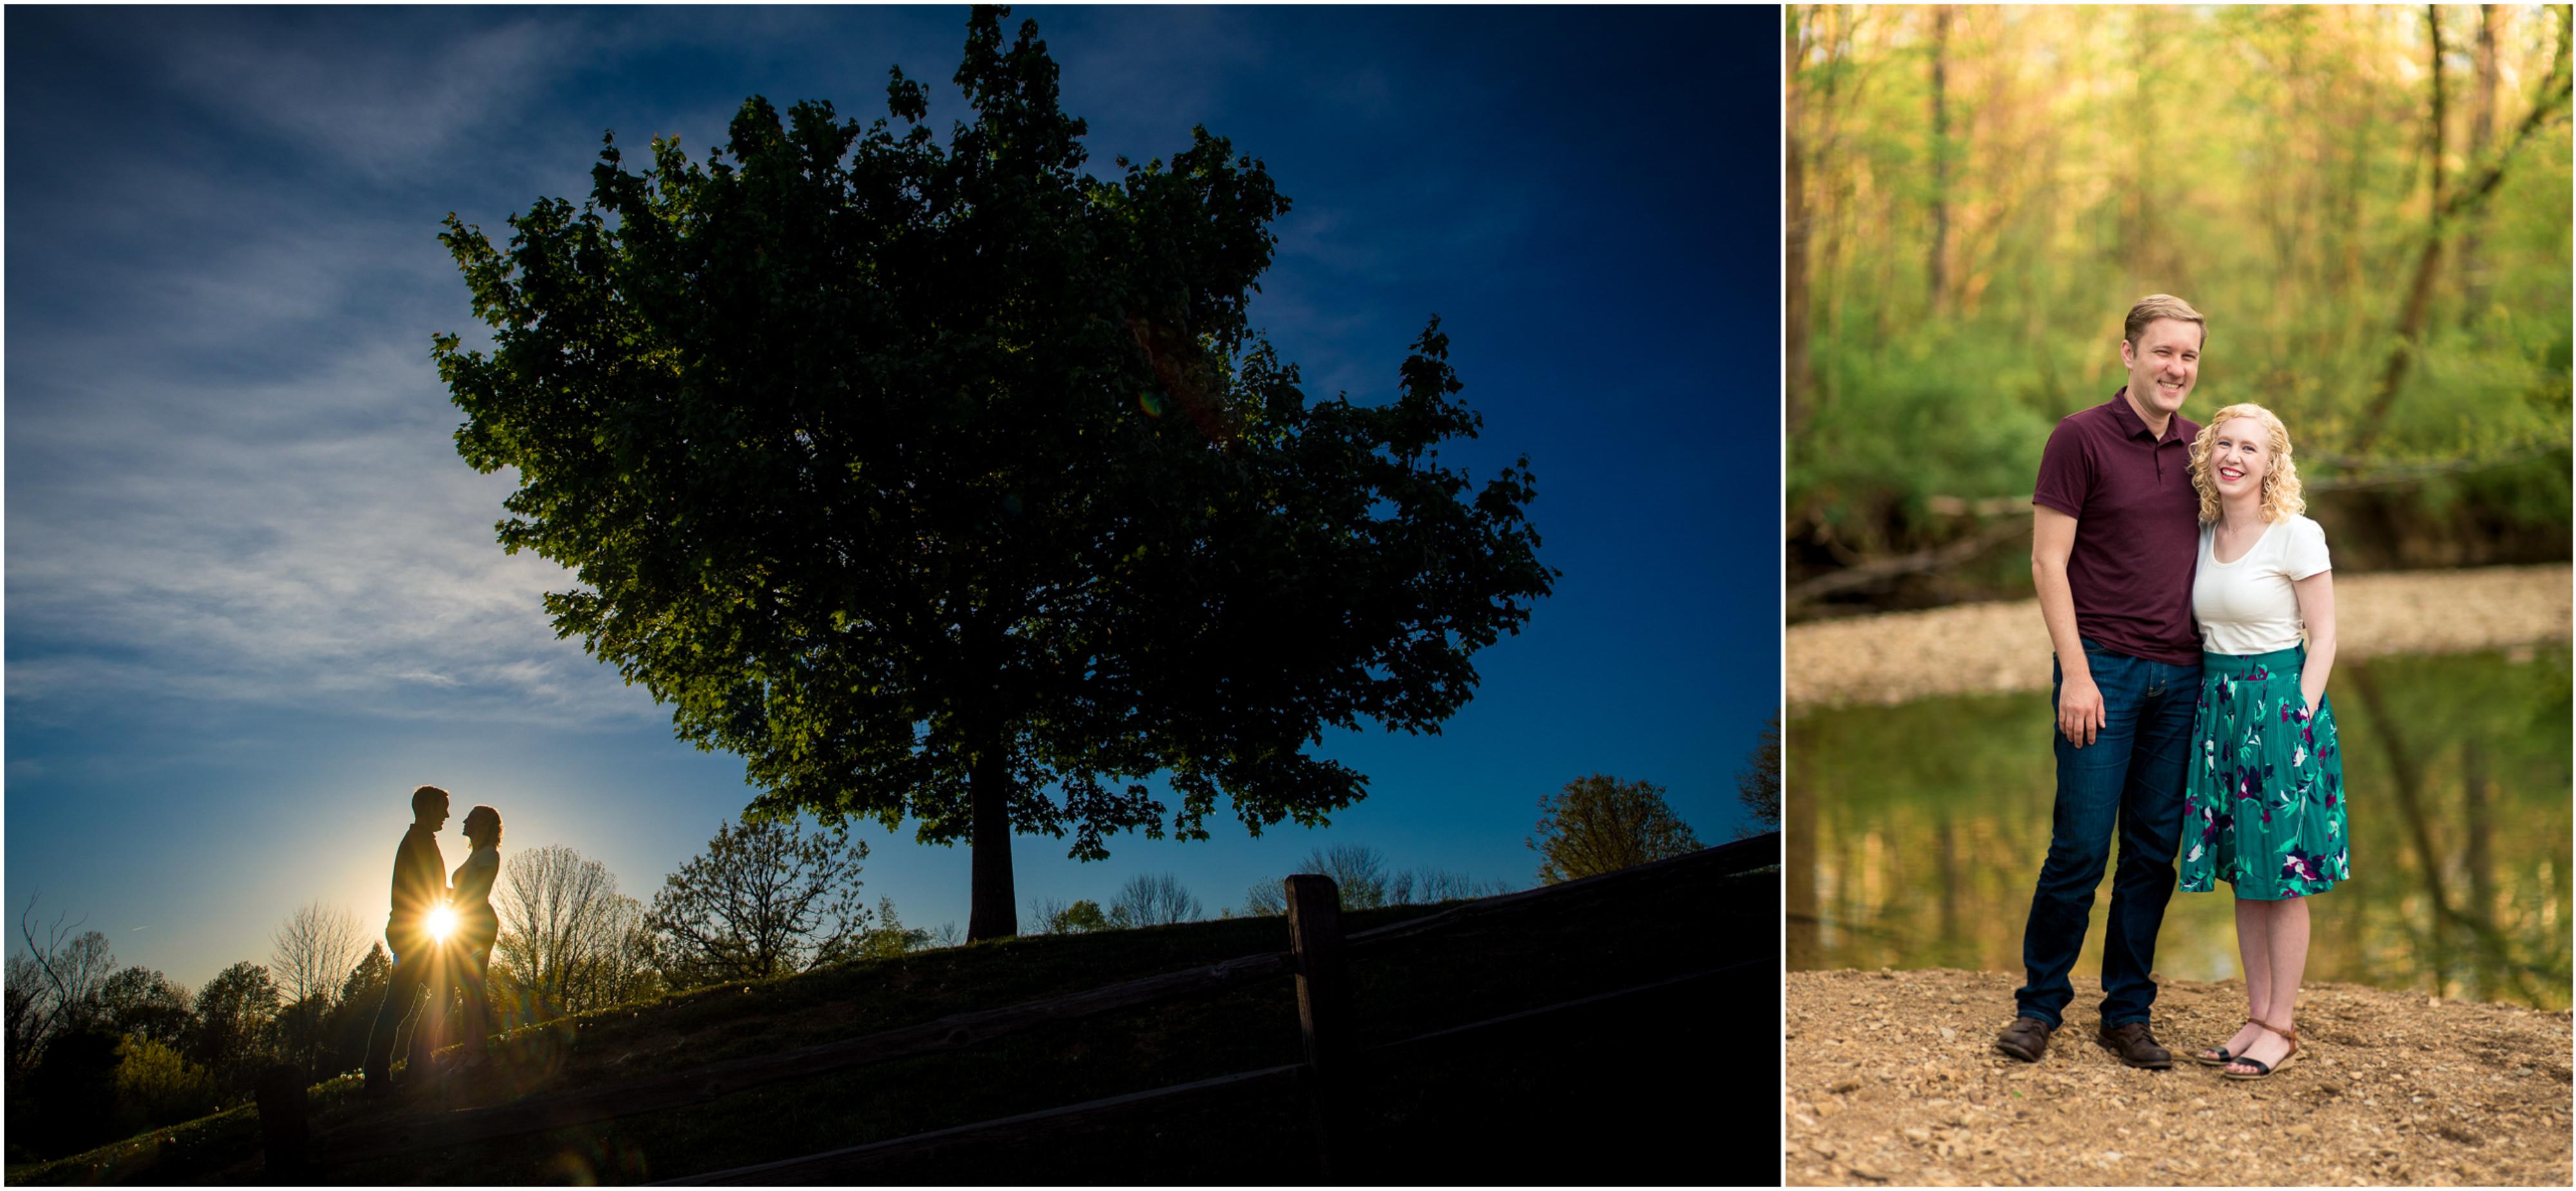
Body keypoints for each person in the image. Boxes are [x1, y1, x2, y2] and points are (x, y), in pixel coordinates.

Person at [1996, 295, 2207, 1070]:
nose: (2176, 368)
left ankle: (2126, 1013)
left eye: (2188, 356)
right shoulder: (2078, 438)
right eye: (2162, 352)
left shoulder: (2203, 449)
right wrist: (2076, 674)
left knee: (2152, 852)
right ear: (2127, 354)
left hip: (2184, 677)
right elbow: (2047, 560)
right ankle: (2040, 1005)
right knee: (2080, 847)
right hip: (2102, 670)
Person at [2175, 404, 2343, 1080]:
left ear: (2272, 462)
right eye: (2223, 444)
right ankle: (2254, 1013)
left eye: (2249, 447)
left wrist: (2297, 717)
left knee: (2284, 872)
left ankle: (2281, 1024)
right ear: (2207, 454)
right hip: (2217, 706)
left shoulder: (2295, 534)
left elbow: (2324, 634)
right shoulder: (2203, 532)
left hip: (2278, 704)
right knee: (2246, 873)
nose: (2233, 456)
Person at [365, 784, 451, 1094]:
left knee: (401, 1004)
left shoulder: (420, 840)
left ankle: (393, 1071)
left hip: (412, 931)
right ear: (427, 808)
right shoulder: (418, 842)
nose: (447, 815)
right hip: (413, 934)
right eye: (443, 808)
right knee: (429, 994)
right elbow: (429, 889)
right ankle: (410, 1067)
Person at [448, 805, 504, 1071]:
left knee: (475, 986)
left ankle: (479, 1050)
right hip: (464, 924)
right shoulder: (474, 857)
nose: (464, 820)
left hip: (478, 925)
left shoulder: (489, 855)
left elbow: (477, 893)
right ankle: (469, 1050)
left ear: (482, 824)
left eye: (470, 817)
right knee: (466, 989)